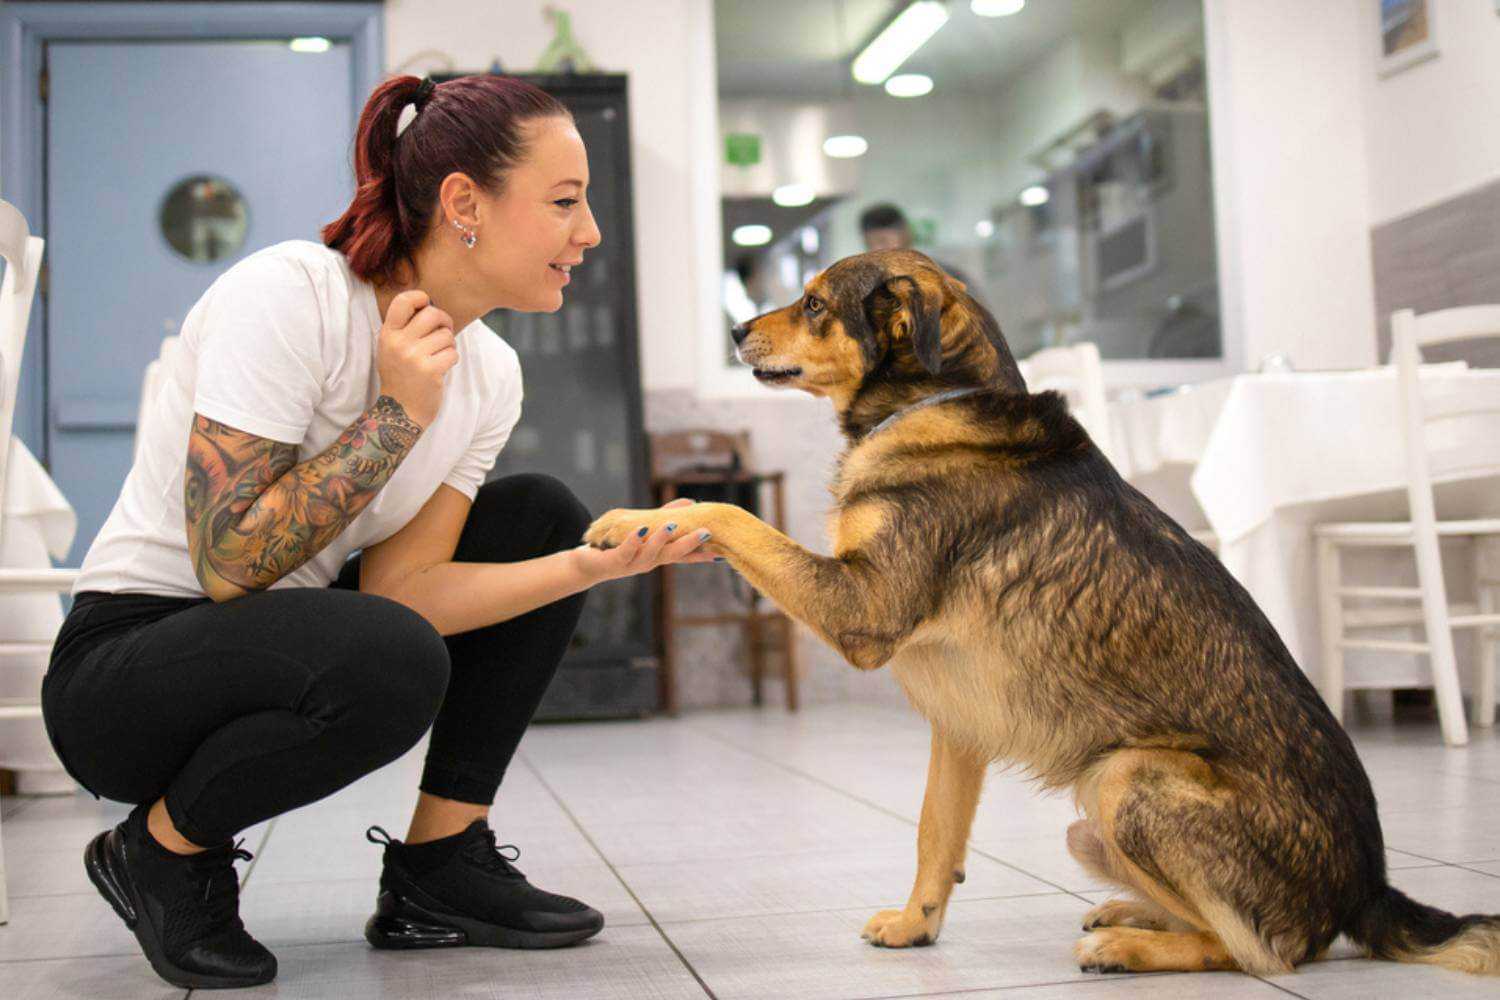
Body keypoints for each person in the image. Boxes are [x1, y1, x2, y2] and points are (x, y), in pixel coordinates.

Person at [42, 74, 713, 990]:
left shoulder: (492, 373)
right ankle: (159, 852)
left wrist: (591, 566)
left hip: (287, 640)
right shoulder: (293, 296)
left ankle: (439, 869)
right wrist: (397, 414)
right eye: (565, 202)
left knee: (541, 518)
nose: (589, 232)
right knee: (391, 655)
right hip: (127, 670)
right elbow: (230, 561)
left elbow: (408, 591)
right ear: (464, 203)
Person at [858, 202, 982, 300]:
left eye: (886, 241)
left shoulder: (946, 278)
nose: (882, 249)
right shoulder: (862, 287)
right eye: (874, 243)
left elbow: (979, 323)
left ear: (907, 235)